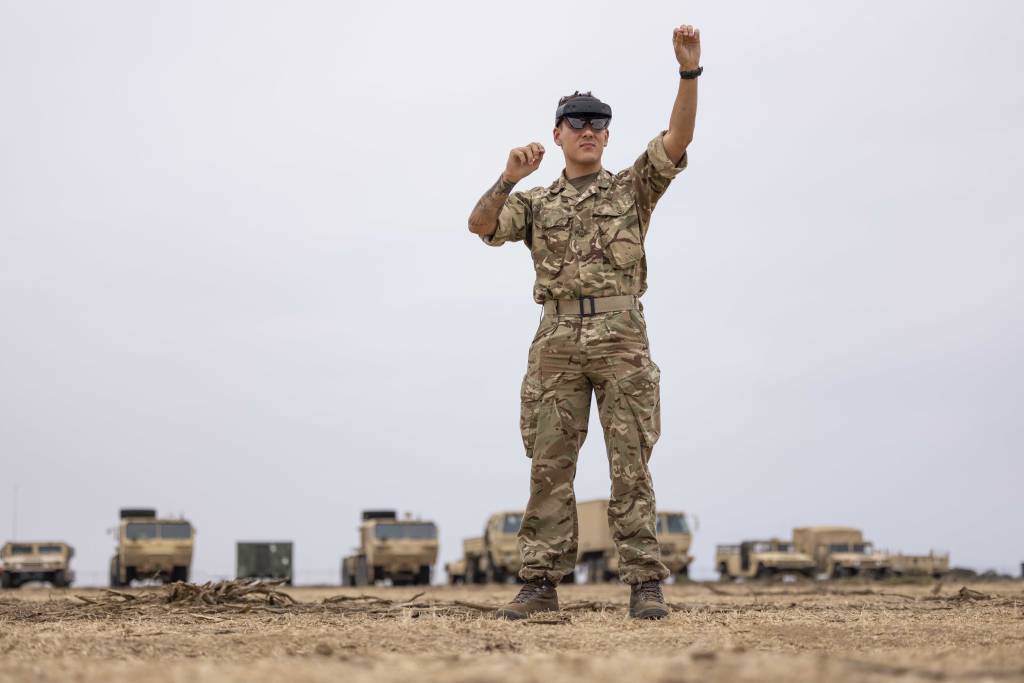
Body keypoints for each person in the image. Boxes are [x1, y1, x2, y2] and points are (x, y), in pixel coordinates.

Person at [467, 24, 701, 620]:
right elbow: (480, 226)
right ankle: (540, 580)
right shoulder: (537, 203)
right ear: (558, 134)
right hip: (556, 340)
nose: (590, 131)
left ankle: (644, 581)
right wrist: (507, 178)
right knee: (549, 463)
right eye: (578, 123)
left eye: (599, 124)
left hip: (622, 338)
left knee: (631, 461)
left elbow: (677, 140)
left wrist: (688, 73)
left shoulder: (631, 190)